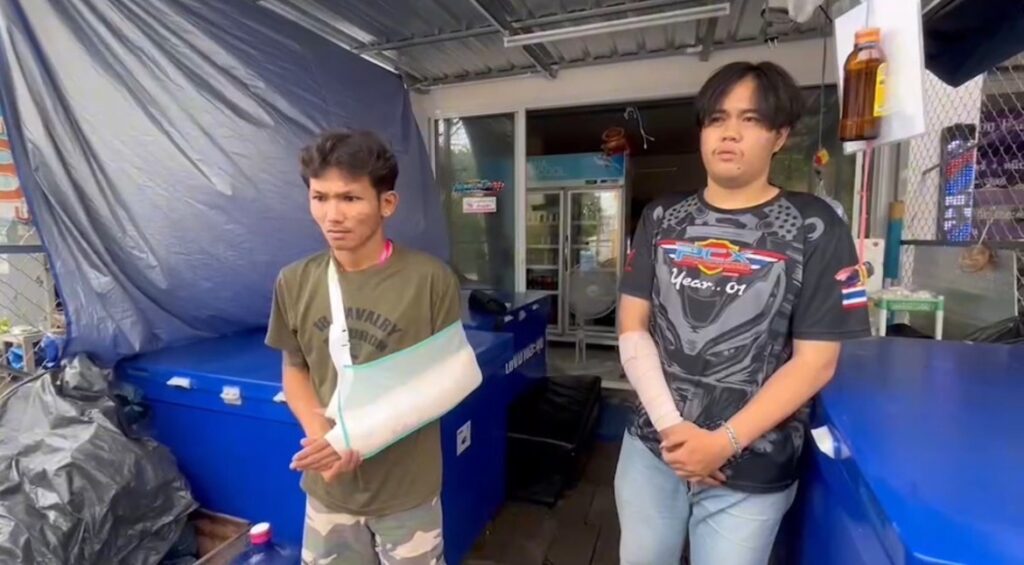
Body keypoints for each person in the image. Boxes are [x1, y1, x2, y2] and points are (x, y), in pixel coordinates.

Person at [615, 61, 871, 565]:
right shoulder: (661, 216)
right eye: (717, 119)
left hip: (751, 467)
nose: (729, 132)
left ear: (780, 136)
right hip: (652, 447)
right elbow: (631, 329)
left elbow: (816, 362)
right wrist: (673, 429)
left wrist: (722, 442)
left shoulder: (817, 226)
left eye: (750, 119)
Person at [265, 130, 460, 564]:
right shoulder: (294, 281)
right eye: (320, 197)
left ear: (386, 203)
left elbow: (448, 381)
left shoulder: (430, 280)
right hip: (329, 491)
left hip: (407, 492)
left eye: (350, 198)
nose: (332, 215)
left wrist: (361, 436)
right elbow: (295, 369)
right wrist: (325, 438)